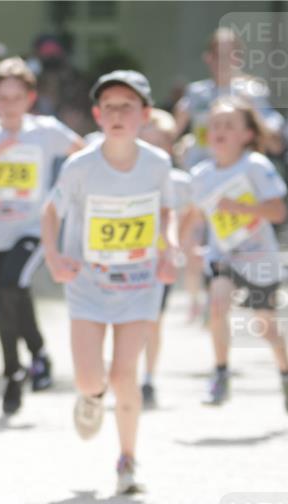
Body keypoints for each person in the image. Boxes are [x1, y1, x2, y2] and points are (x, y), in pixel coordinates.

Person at [41, 71, 176, 495]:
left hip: (138, 284)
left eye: (128, 107)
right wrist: (54, 257)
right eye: (110, 107)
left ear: (145, 115)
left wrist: (168, 248)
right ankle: (91, 398)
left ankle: (127, 461)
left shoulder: (158, 164)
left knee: (124, 375)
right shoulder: (81, 166)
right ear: (98, 115)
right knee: (88, 378)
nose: (118, 115)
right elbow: (50, 213)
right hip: (88, 283)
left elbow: (166, 212)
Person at [0, 57, 83, 416]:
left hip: (33, 229)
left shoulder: (46, 131)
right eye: (3, 97)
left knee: (14, 283)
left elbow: (85, 156)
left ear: (30, 98)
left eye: (17, 97)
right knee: (4, 305)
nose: (10, 105)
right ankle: (15, 372)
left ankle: (38, 351)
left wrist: (65, 195)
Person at [185, 97, 288, 411]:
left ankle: (285, 374)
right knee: (217, 303)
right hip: (224, 256)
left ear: (247, 134)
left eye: (229, 125)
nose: (219, 130)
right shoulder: (201, 173)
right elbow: (193, 214)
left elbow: (278, 212)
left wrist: (241, 207)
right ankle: (220, 373)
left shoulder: (255, 166)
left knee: (266, 327)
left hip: (259, 258)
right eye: (215, 124)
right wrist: (183, 242)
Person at [136, 109, 193, 409]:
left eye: (159, 143)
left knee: (153, 322)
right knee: (127, 321)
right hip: (128, 261)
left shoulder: (180, 182)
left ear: (169, 147)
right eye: (145, 142)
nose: (152, 150)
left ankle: (148, 378)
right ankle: (124, 371)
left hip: (160, 264)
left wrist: (178, 244)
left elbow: (193, 212)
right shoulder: (125, 177)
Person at [174, 28, 285, 169]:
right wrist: (181, 141)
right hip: (200, 171)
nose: (225, 61)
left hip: (239, 174)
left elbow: (276, 145)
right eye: (219, 55)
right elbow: (172, 134)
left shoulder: (252, 92)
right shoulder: (196, 93)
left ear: (239, 58)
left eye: (230, 55)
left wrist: (253, 111)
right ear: (208, 57)